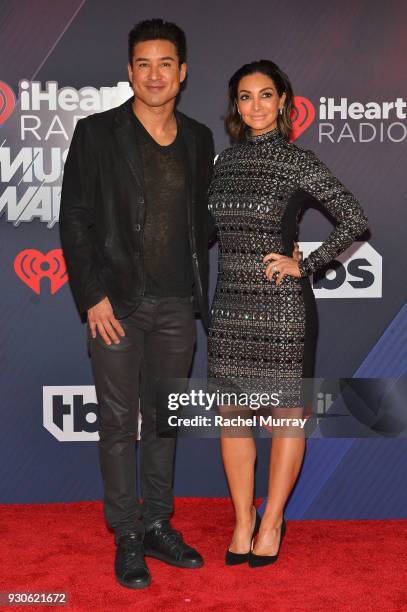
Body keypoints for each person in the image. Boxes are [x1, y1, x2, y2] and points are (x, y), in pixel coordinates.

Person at [59, 18, 216, 589]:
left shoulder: (200, 139)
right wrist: (92, 295)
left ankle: (156, 523)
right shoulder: (97, 132)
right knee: (119, 424)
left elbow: (204, 221)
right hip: (117, 305)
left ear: (183, 73)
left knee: (166, 423)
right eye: (144, 63)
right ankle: (126, 534)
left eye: (166, 63)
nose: (155, 74)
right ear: (129, 71)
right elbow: (75, 218)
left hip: (179, 305)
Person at [207, 60, 369, 568]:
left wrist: (309, 265)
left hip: (282, 312)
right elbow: (207, 233)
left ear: (283, 101)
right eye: (245, 97)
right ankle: (242, 520)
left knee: (284, 418)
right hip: (230, 306)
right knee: (232, 418)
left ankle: (273, 520)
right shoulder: (223, 164)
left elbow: (354, 218)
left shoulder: (299, 161)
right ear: (236, 105)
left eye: (265, 95)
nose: (255, 105)